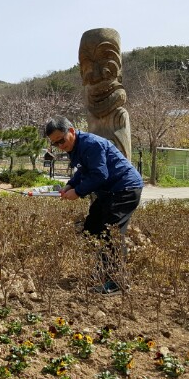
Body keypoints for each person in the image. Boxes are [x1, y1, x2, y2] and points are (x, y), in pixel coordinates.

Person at [45, 115, 144, 294]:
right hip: (109, 192)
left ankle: (117, 281)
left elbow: (99, 175)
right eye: (55, 144)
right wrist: (70, 185)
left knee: (111, 233)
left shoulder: (91, 144)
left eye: (61, 140)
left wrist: (78, 192)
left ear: (72, 132)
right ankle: (103, 271)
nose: (60, 146)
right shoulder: (75, 147)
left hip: (125, 189)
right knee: (92, 226)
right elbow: (84, 170)